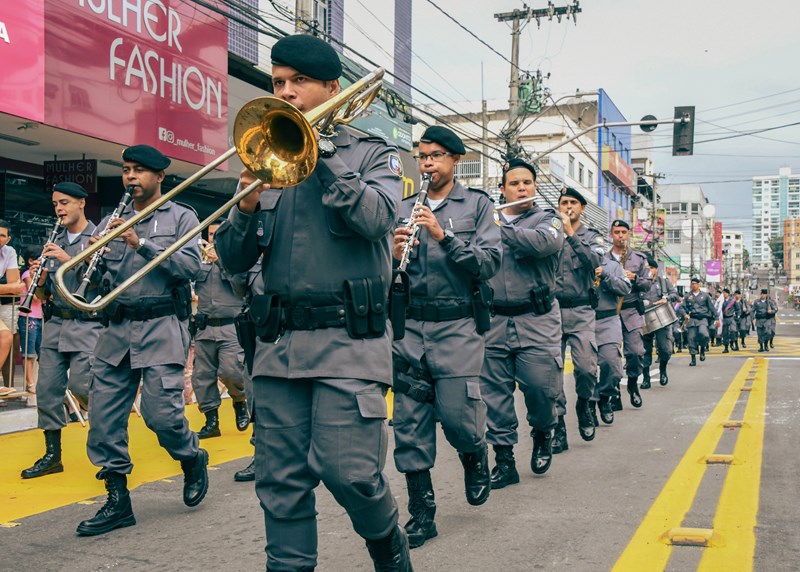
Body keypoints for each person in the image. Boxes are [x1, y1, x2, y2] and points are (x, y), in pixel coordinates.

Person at [214, 34, 412, 571]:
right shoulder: (267, 156)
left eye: (298, 82)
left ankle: (387, 540)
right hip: (279, 346)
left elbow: (375, 219)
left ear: (332, 88)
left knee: (350, 472)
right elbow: (233, 262)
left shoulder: (374, 154)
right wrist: (247, 202)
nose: (287, 93)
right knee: (279, 482)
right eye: (278, 83)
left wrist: (322, 157)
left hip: (349, 342)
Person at [76, 145, 208, 537]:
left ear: (159, 177)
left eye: (139, 171)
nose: (131, 177)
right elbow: (103, 282)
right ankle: (118, 500)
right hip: (117, 331)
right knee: (102, 419)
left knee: (162, 415)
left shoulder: (182, 216)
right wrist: (91, 260)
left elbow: (190, 268)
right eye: (126, 170)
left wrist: (140, 243)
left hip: (162, 325)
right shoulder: (111, 221)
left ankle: (191, 456)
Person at [391, 125, 500, 549]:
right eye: (422, 156)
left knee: (458, 416)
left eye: (436, 155)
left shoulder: (477, 205)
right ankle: (422, 511)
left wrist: (443, 235)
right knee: (409, 424)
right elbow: (381, 271)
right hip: (410, 326)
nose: (428, 163)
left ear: (455, 159)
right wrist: (393, 255)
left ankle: (474, 455)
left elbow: (488, 263)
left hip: (457, 326)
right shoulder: (401, 206)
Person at [479, 158, 563, 489]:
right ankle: (504, 459)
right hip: (493, 319)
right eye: (514, 183)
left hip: (537, 319)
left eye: (527, 182)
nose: (521, 188)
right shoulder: (485, 223)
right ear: (503, 189)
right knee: (494, 396)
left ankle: (543, 432)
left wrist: (499, 226)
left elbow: (544, 243)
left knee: (542, 389)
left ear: (535, 187)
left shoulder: (548, 219)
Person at [20, 183, 102, 478]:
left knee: (83, 386)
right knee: (47, 390)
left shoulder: (98, 237)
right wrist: (39, 283)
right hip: (55, 323)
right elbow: (43, 297)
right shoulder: (53, 240)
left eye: (65, 202)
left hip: (86, 323)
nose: (59, 209)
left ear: (81, 203)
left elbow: (104, 283)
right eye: (56, 204)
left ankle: (108, 443)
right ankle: (52, 455)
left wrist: (68, 261)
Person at [552, 187, 604, 453]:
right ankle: (558, 426)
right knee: (552, 374)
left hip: (582, 310)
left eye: (573, 202)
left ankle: (585, 403)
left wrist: (570, 234)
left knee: (586, 367)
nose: (568, 206)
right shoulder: (549, 231)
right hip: (551, 311)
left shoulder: (591, 236)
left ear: (582, 208)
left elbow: (594, 261)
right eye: (564, 202)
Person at [191, 222, 249, 438]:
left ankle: (240, 402)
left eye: (217, 234)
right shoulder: (201, 259)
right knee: (202, 377)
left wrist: (222, 262)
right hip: (204, 326)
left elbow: (242, 284)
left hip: (230, 326)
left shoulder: (237, 257)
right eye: (211, 234)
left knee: (231, 371)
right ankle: (211, 421)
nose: (213, 239)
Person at [604, 220, 651, 409]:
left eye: (624, 232)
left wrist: (635, 278)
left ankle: (632, 383)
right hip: (609, 312)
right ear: (611, 234)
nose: (620, 236)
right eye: (616, 232)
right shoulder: (603, 257)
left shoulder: (638, 259)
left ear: (629, 234)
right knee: (611, 357)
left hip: (631, 310)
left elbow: (648, 284)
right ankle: (614, 392)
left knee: (635, 352)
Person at [592, 258, 631, 425]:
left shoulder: (613, 266)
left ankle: (605, 396)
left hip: (608, 319)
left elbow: (625, 288)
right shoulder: (574, 261)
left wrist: (606, 275)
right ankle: (589, 404)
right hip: (584, 320)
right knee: (585, 370)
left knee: (613, 365)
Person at [640, 256, 678, 388]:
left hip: (662, 319)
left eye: (651, 268)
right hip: (644, 320)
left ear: (656, 269)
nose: (649, 270)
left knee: (665, 348)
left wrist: (666, 298)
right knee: (644, 350)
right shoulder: (639, 282)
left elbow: (675, 294)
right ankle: (646, 378)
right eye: (647, 268)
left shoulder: (663, 282)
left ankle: (663, 370)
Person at [18, 245, 44, 394]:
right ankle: (30, 383)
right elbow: (35, 296)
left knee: (38, 352)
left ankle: (35, 380)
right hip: (28, 317)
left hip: (38, 316)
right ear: (30, 261)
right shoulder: (28, 274)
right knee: (28, 353)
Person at [0, 219, 23, 391]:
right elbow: (12, 285)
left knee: (7, 338)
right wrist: (9, 287)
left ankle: (7, 388)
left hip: (6, 305)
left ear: (8, 239)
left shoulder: (9, 252)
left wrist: (11, 287)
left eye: (2, 235)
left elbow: (16, 287)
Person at [683, 277, 717, 366]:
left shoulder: (705, 296)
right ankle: (693, 358)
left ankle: (702, 348)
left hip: (702, 319)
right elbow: (682, 307)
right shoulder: (687, 296)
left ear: (699, 285)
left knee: (704, 334)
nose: (693, 285)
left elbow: (711, 307)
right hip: (692, 319)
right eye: (692, 283)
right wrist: (685, 314)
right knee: (691, 338)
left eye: (695, 283)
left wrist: (716, 318)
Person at [720, 288, 740, 353]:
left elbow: (738, 309)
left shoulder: (732, 301)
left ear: (728, 293)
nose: (724, 294)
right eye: (723, 293)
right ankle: (726, 347)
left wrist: (737, 316)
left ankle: (732, 342)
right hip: (724, 318)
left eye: (725, 293)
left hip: (731, 318)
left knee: (733, 331)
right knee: (725, 333)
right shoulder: (721, 301)